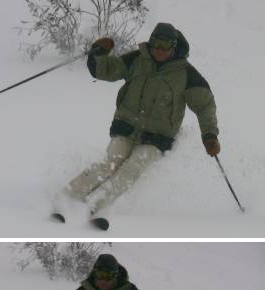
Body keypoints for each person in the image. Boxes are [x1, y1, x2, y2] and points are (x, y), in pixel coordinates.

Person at [61, 23, 220, 214]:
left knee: (132, 168)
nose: (160, 51)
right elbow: (105, 71)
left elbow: (205, 106)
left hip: (158, 136)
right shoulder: (137, 60)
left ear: (174, 47)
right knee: (111, 161)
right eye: (156, 45)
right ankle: (67, 198)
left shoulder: (186, 74)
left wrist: (210, 135)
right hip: (127, 127)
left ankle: (99, 207)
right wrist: (98, 54)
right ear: (151, 43)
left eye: (165, 46)